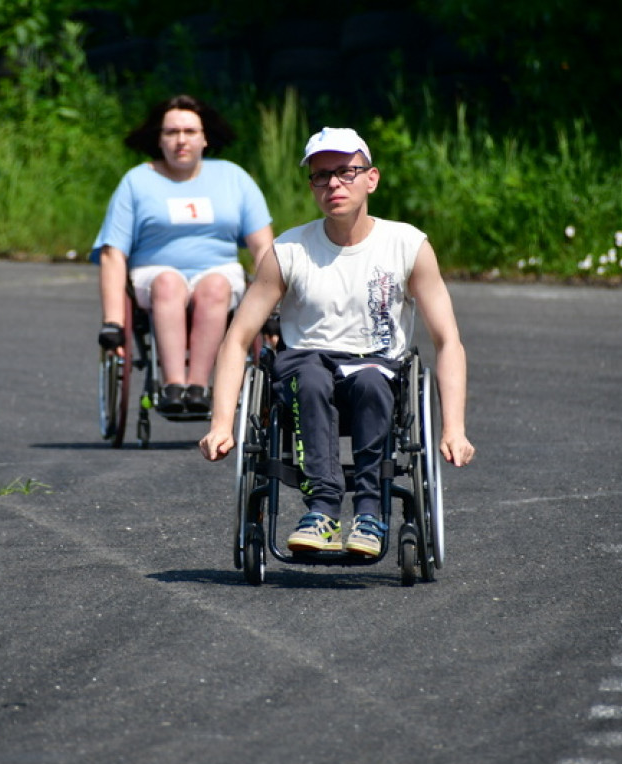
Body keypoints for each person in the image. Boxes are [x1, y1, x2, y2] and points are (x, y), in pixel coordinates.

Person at [199, 126, 475, 557]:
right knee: (309, 379)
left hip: (375, 366)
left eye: (346, 172)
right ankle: (323, 510)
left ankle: (369, 512)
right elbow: (237, 339)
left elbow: (448, 340)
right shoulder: (288, 250)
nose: (333, 184)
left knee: (369, 381)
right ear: (312, 185)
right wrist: (221, 423)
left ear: (372, 178)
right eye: (321, 176)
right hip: (305, 363)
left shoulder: (407, 245)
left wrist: (454, 429)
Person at [92, 95, 274, 414]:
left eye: (190, 132)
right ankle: (173, 385)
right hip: (154, 273)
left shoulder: (233, 178)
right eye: (171, 132)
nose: (180, 141)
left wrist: (271, 307)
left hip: (219, 271)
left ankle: (199, 387)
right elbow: (113, 254)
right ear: (158, 139)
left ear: (205, 138)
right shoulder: (137, 182)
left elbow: (263, 247)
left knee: (216, 286)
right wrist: (112, 321)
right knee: (168, 283)